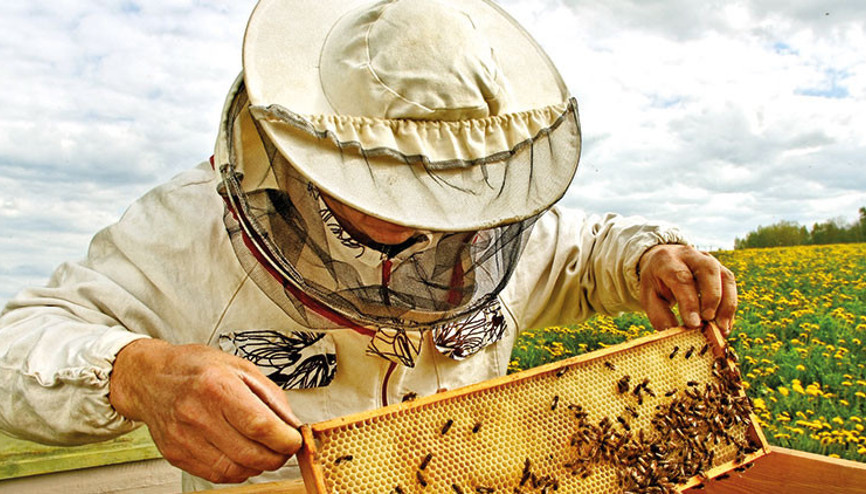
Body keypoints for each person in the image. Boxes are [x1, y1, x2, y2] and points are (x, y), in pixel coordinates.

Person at [0, 0, 736, 490]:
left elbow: (585, 252)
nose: (414, 213)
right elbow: (19, 342)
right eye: (382, 178)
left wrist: (650, 255)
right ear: (304, 139)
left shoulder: (490, 227)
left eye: (441, 182)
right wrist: (138, 373)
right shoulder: (183, 226)